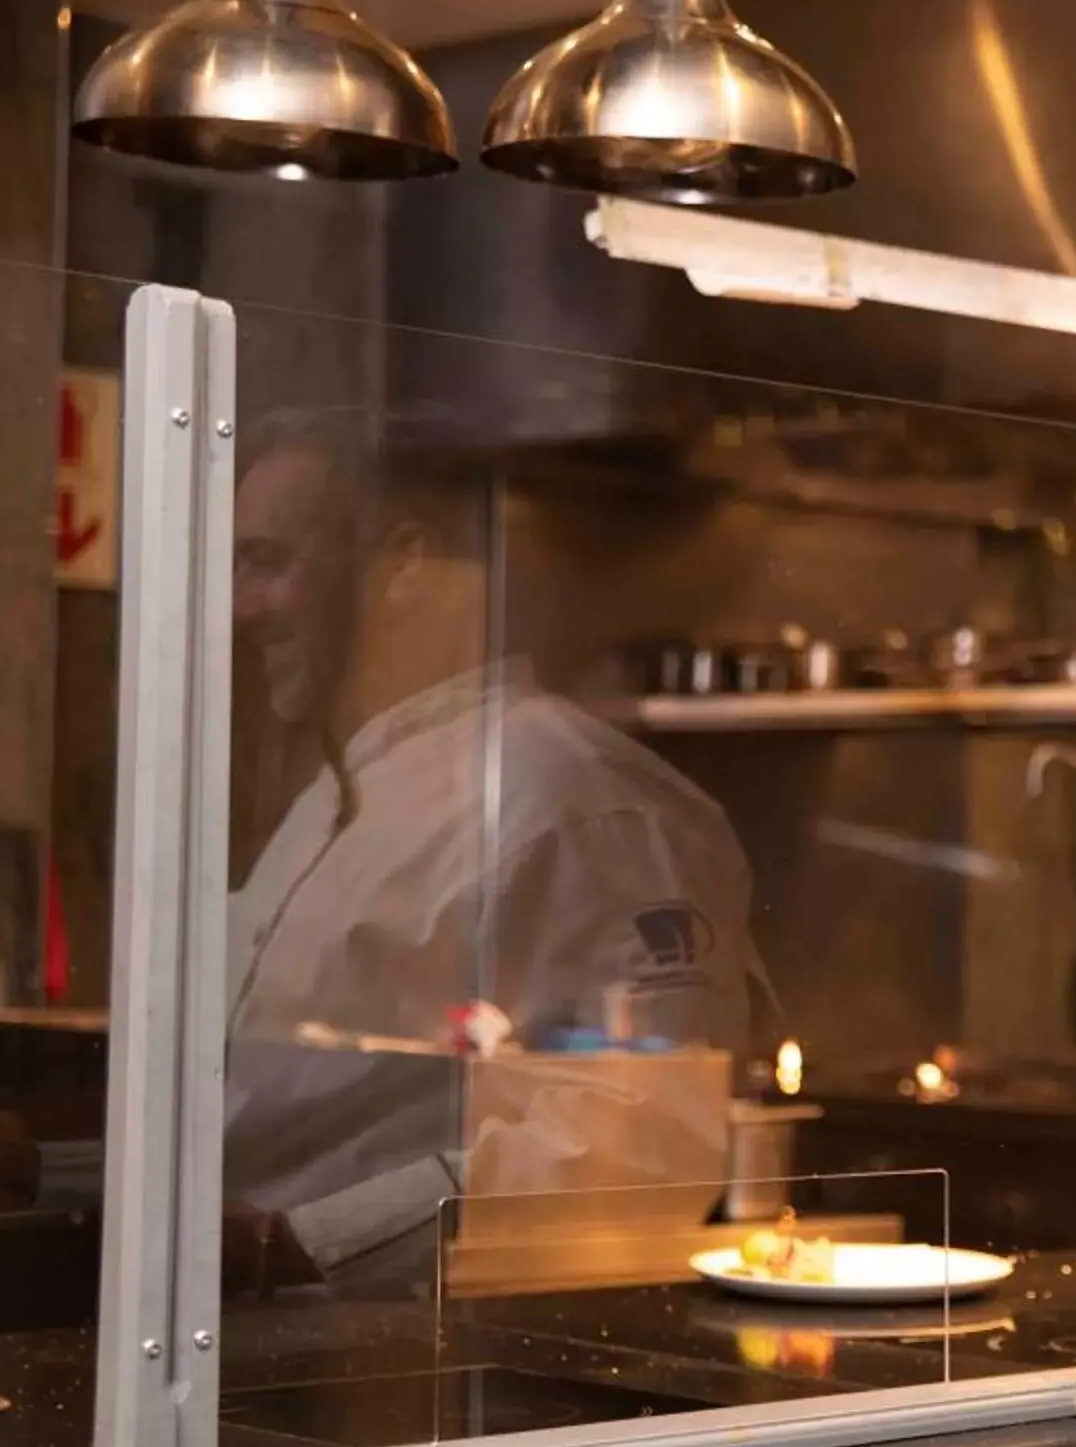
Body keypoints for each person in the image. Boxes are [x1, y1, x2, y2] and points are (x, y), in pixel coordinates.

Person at [222, 413, 766, 1295]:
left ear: (402, 564)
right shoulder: (341, 791)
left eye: (267, 562)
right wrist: (54, 1172)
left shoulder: (575, 798)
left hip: (428, 1371)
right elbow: (300, 1116)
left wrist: (294, 1246)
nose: (239, 607)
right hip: (273, 1344)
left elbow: (644, 1141)